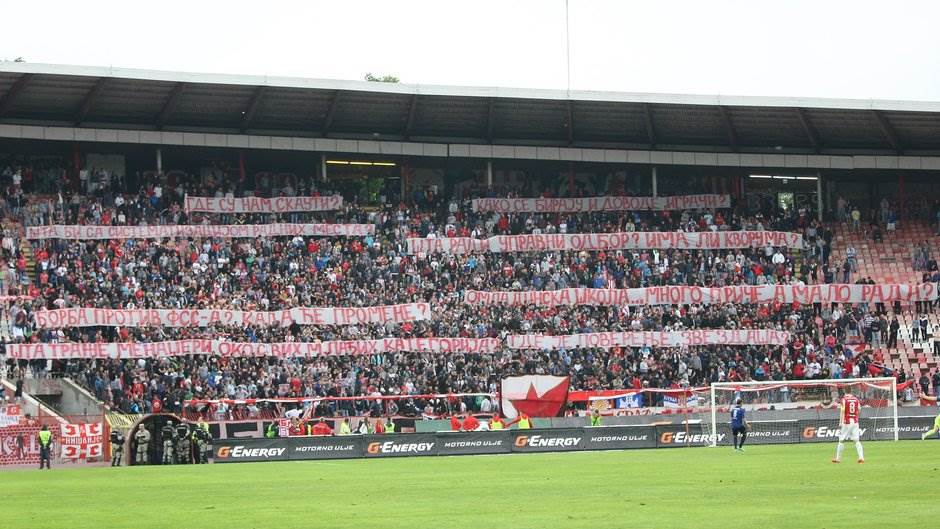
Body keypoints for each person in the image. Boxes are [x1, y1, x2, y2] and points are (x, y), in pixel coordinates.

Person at [832, 392, 864, 464]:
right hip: (855, 422)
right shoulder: (856, 399)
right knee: (856, 441)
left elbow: (842, 411)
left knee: (841, 440)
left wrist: (840, 422)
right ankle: (861, 458)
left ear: (845, 393)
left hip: (847, 422)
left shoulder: (844, 400)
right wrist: (856, 416)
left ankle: (838, 459)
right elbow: (859, 409)